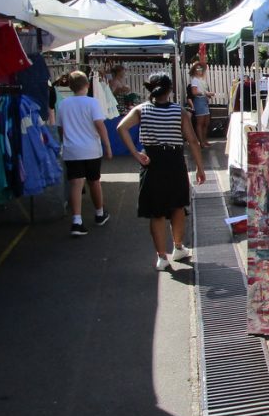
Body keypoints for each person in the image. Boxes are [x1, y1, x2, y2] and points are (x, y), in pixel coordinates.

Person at [117, 73, 206, 271]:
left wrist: (135, 154)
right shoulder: (179, 111)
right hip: (174, 161)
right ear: (170, 89)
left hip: (151, 160)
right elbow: (192, 140)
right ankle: (178, 247)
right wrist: (200, 168)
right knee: (177, 205)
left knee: (156, 211)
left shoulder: (141, 110)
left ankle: (161, 257)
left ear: (151, 89)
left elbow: (121, 128)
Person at [56, 70, 113, 237]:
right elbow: (100, 125)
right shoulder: (92, 103)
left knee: (76, 183)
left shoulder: (64, 104)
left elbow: (60, 128)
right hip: (91, 149)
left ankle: (77, 220)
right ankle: (99, 213)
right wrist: (107, 145)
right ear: (87, 85)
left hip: (71, 149)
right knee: (94, 181)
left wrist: (65, 141)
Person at [188, 63, 214, 149]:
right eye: (198, 69)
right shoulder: (195, 80)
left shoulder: (201, 80)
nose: (200, 71)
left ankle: (204, 140)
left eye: (201, 69)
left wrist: (208, 94)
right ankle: (201, 142)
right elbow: (194, 92)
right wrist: (205, 93)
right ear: (195, 71)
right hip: (199, 101)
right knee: (200, 123)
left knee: (206, 122)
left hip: (204, 101)